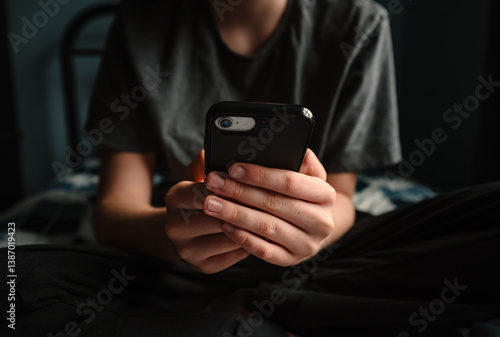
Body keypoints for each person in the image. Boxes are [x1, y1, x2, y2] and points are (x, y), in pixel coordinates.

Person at [7, 0, 500, 336]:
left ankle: (241, 316)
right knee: (9, 277)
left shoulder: (357, 23)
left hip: (326, 255)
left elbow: (343, 201)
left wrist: (313, 233)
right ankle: (284, 312)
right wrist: (174, 232)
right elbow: (114, 210)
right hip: (174, 261)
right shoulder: (141, 23)